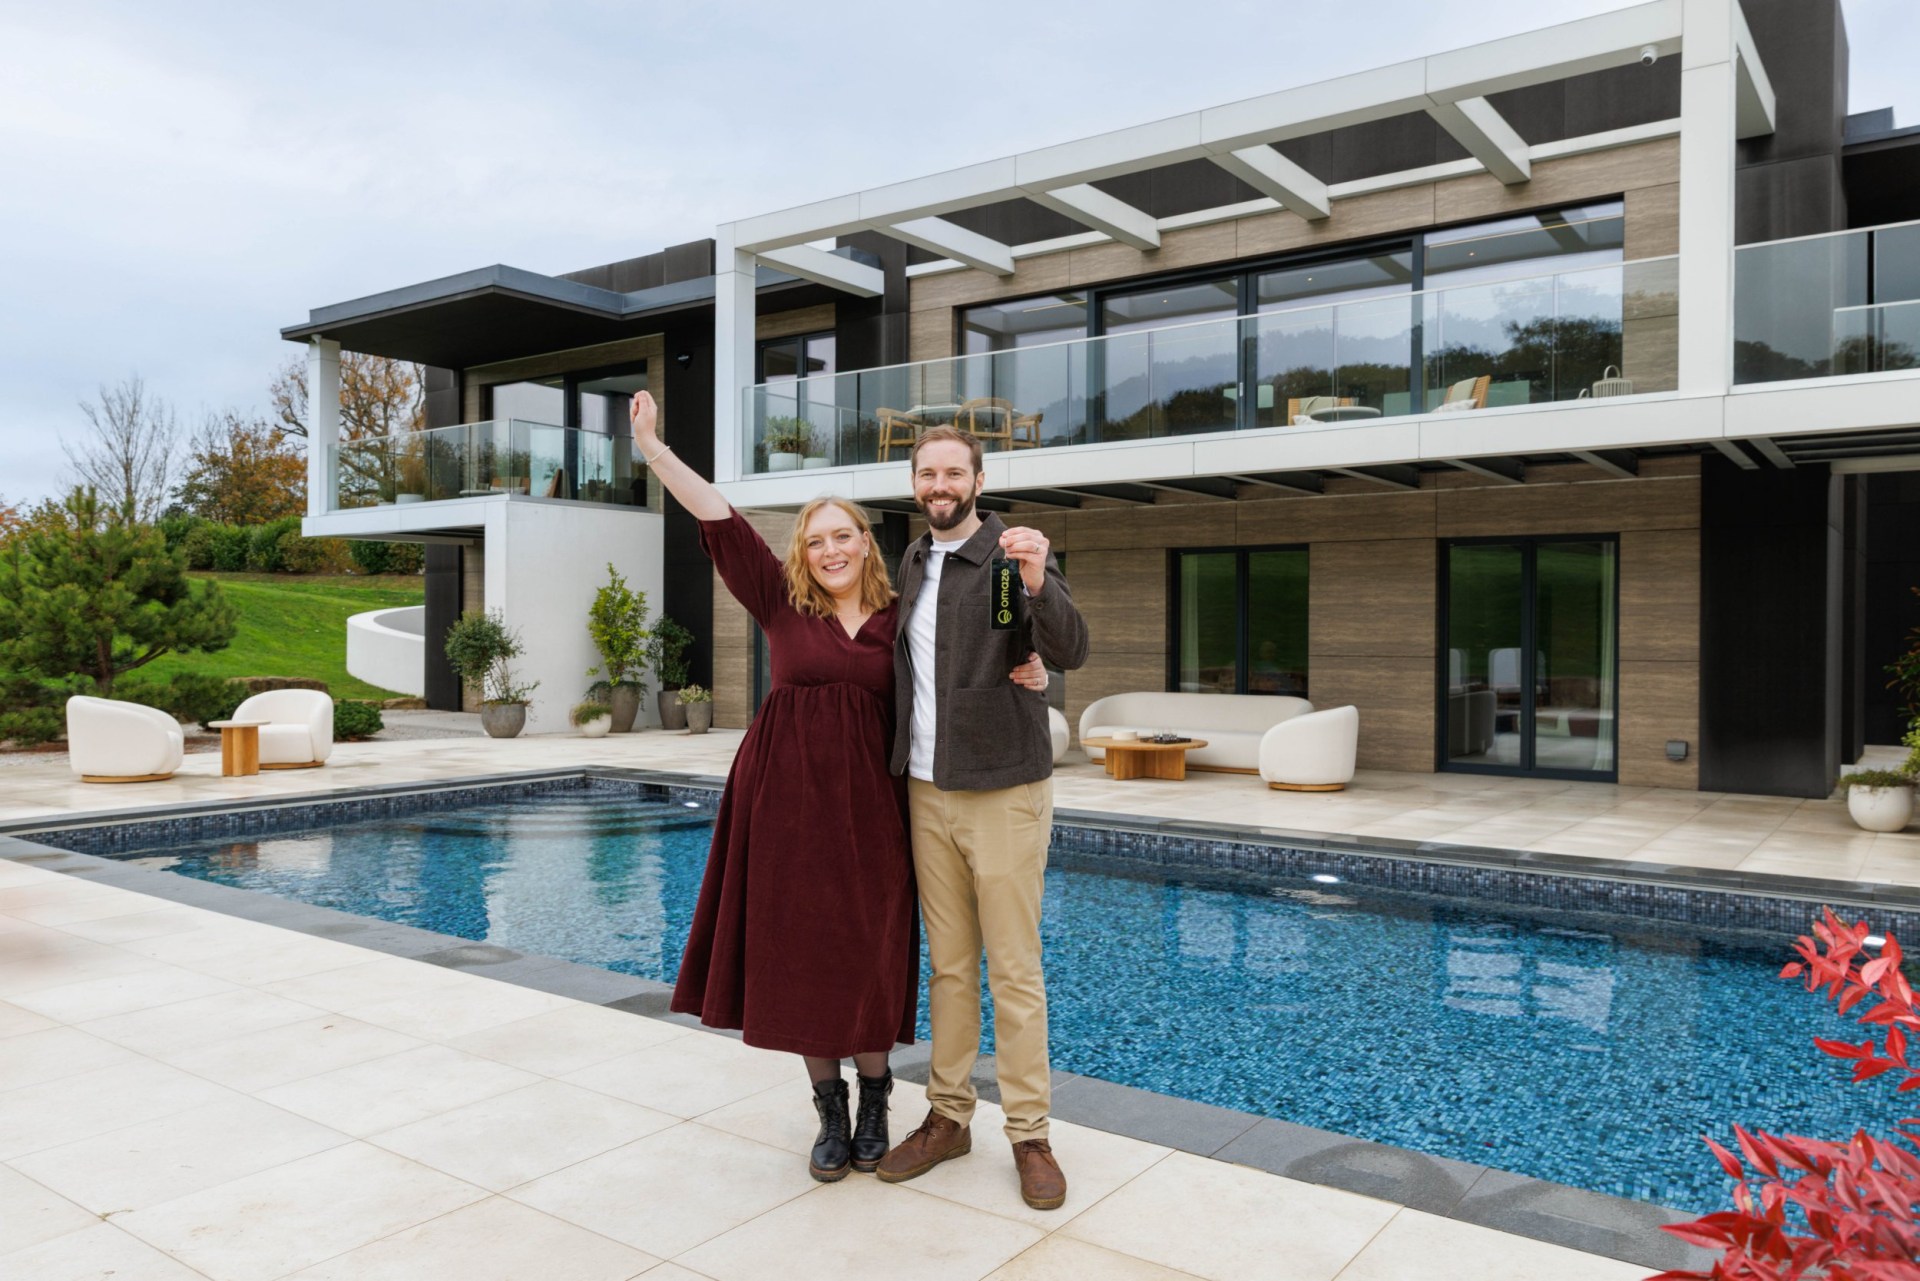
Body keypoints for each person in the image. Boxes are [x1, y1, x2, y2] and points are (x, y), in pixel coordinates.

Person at [627, 393, 1049, 1183]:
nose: (829, 549)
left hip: (879, 809)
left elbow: (1000, 635)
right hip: (784, 807)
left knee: (874, 951)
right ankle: (830, 1107)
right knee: (801, 954)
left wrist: (1037, 659)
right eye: (815, 540)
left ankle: (882, 1097)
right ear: (802, 553)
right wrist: (654, 448)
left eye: (842, 535)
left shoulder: (908, 603)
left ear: (866, 543)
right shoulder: (781, 604)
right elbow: (718, 517)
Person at [875, 425, 1089, 1211]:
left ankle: (1030, 1132)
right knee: (950, 967)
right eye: (927, 472)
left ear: (977, 477)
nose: (939, 484)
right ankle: (948, 1115)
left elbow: (1053, 646)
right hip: (926, 790)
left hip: (1001, 788)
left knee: (1014, 971)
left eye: (953, 472)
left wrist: (1035, 585)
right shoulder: (914, 559)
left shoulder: (1003, 557)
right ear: (914, 481)